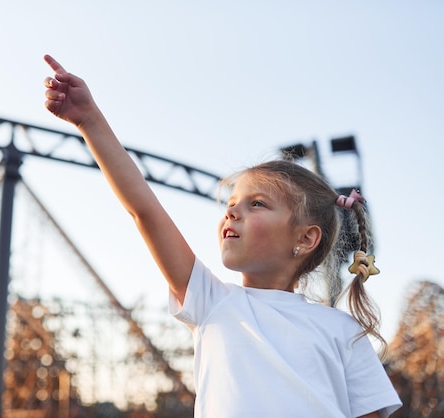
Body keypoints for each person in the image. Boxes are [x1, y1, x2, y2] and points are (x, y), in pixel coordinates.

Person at [42, 55, 401, 418]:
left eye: (257, 204)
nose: (231, 212)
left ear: (306, 239)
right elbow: (144, 209)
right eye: (231, 203)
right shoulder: (212, 300)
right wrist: (90, 121)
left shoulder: (342, 330)